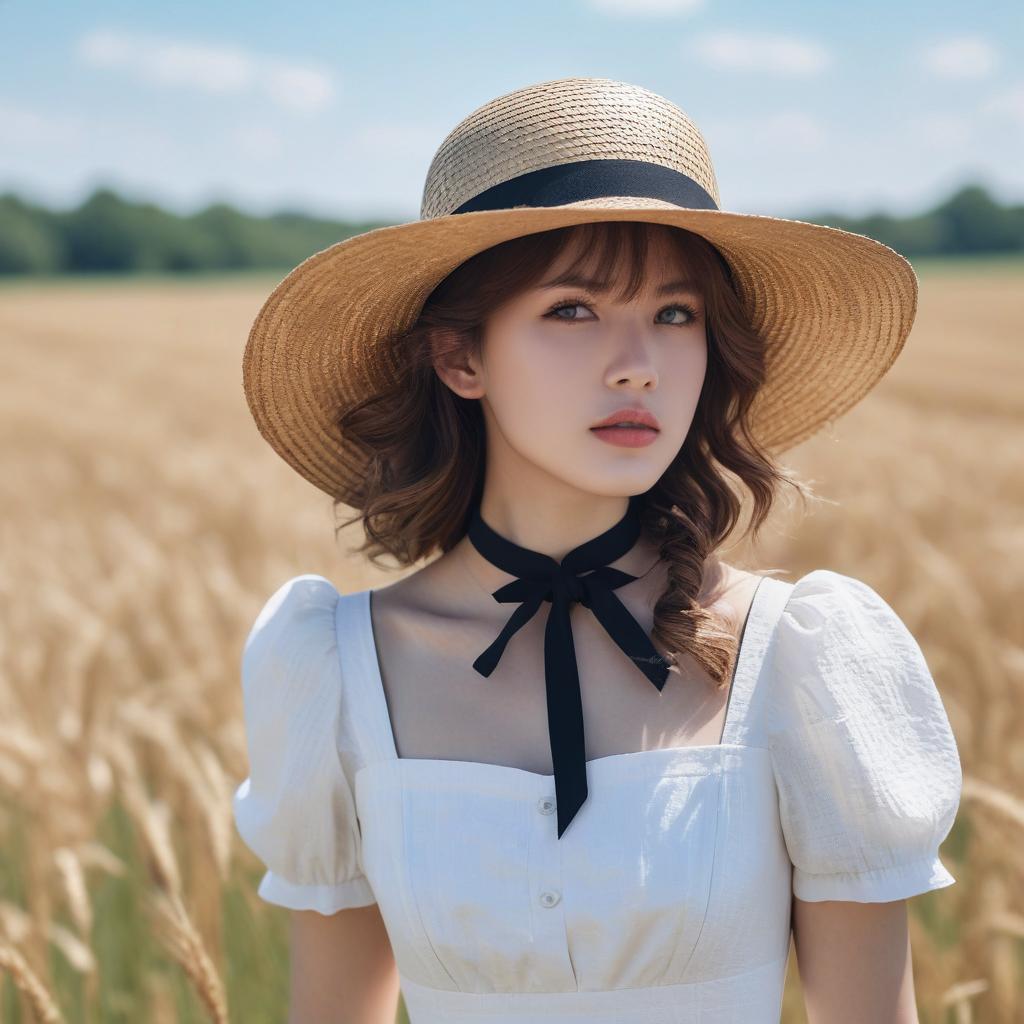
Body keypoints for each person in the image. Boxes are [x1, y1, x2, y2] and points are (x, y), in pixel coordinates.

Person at [231, 77, 963, 1023]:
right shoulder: (338, 664)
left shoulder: (801, 655)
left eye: (675, 314)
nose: (637, 364)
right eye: (573, 310)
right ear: (461, 358)